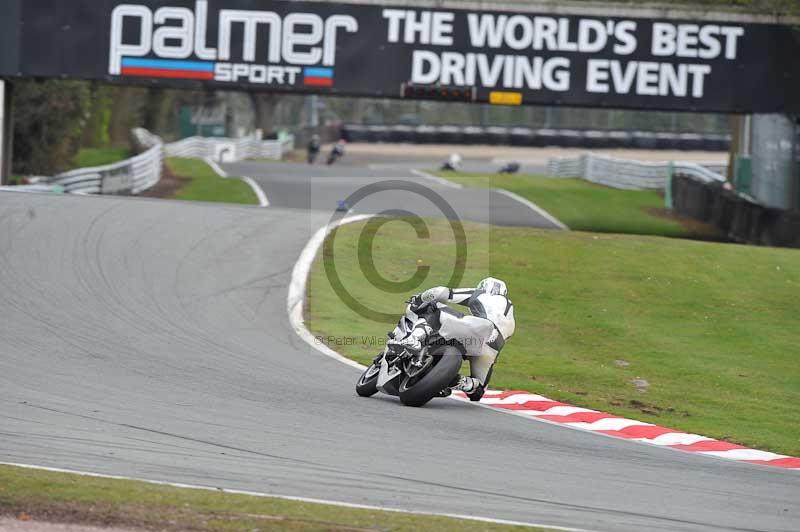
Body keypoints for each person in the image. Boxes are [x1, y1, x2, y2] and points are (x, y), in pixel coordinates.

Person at [387, 277, 515, 402]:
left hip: (481, 327)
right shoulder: (510, 316)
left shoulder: (483, 293)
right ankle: (462, 383)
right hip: (492, 347)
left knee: (433, 307)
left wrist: (420, 298)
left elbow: (442, 292)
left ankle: (414, 339)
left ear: (484, 287)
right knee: (478, 391)